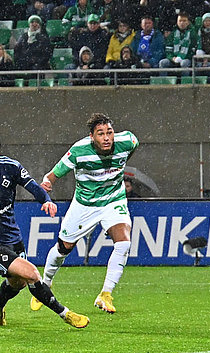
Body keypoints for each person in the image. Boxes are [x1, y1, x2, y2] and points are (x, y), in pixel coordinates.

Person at [0, 124, 89, 328]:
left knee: (19, 282)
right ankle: (65, 313)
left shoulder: (11, 167)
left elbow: (33, 186)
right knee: (32, 274)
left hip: (12, 237)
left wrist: (46, 200)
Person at [30, 113, 139, 314]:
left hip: (113, 200)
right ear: (92, 137)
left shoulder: (128, 141)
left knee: (124, 243)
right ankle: (44, 285)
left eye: (109, 132)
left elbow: (128, 152)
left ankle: (105, 295)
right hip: (85, 205)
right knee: (64, 248)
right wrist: (46, 184)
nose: (106, 138)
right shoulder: (79, 151)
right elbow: (52, 175)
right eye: (101, 134)